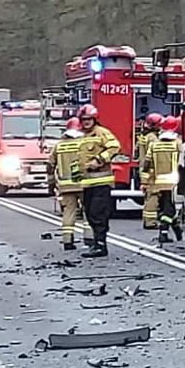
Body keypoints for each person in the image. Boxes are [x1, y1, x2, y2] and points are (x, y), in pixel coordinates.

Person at [76, 105, 122, 257]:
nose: (86, 122)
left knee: (98, 213)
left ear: (94, 119)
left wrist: (99, 160)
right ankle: (97, 243)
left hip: (101, 182)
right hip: (87, 183)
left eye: (88, 119)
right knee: (89, 214)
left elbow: (115, 147)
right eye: (83, 120)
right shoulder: (82, 136)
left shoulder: (101, 132)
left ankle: (101, 245)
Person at [144, 116, 183, 244]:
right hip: (173, 181)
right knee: (169, 209)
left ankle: (176, 229)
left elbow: (146, 164)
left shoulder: (154, 145)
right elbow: (183, 162)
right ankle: (164, 232)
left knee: (165, 208)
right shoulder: (177, 143)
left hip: (158, 182)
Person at [50, 119, 87, 250]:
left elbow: (50, 163)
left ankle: (67, 240)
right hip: (83, 183)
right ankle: (89, 239)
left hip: (65, 186)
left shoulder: (59, 145)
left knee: (69, 211)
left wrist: (51, 183)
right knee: (87, 211)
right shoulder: (83, 143)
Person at [137, 112, 163, 229]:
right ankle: (150, 222)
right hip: (151, 170)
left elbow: (136, 152)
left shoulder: (143, 136)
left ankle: (148, 220)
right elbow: (157, 152)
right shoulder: (152, 138)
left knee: (148, 195)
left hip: (144, 169)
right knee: (153, 195)